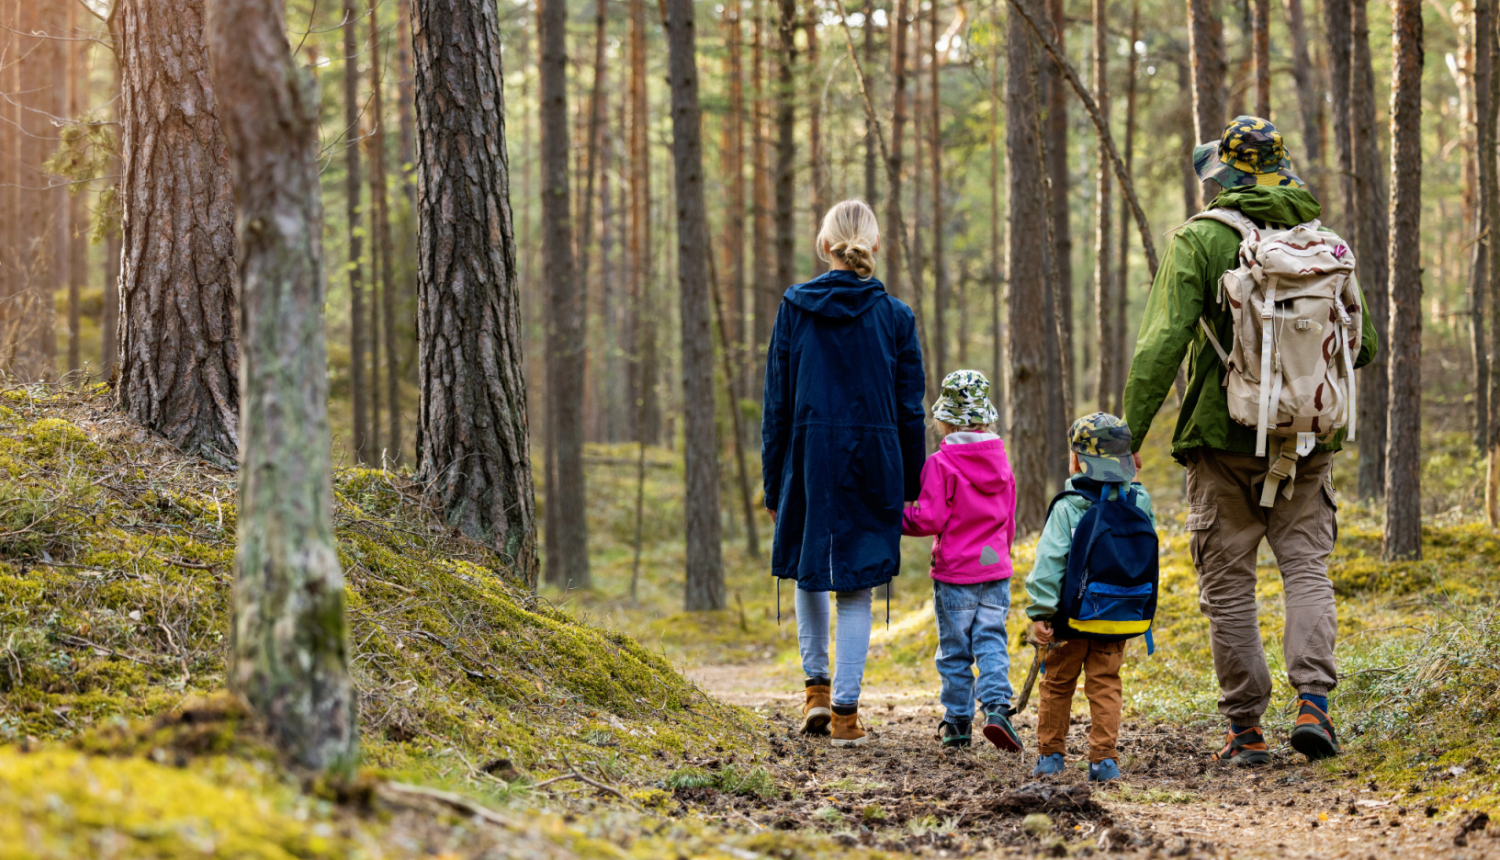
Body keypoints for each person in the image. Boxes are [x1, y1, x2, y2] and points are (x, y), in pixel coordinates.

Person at [1122, 116, 1379, 765]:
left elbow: (1160, 345)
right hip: (1307, 443)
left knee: (1230, 587)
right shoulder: (1326, 245)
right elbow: (1366, 345)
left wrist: (1128, 435)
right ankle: (1314, 704)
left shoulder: (1201, 239)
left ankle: (1246, 730)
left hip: (1222, 438)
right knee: (1307, 572)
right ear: (1283, 168)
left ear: (1226, 176)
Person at [762, 199, 926, 749]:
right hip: (875, 458)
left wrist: (772, 480)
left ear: (824, 245)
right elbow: (910, 410)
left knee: (810, 568)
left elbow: (776, 404)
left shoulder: (794, 307)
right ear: (873, 246)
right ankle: (846, 715)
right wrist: (912, 484)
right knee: (856, 585)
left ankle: (815, 692)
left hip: (807, 453)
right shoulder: (896, 317)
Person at [1026, 414, 1152, 783]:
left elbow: (1050, 563)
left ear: (1077, 460)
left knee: (1057, 683)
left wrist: (1042, 611)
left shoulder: (1068, 506)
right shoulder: (1139, 500)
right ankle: (1104, 760)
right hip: (1119, 613)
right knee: (1106, 683)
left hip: (1071, 616)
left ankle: (1050, 756)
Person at [901, 370, 1022, 752]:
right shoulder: (1001, 459)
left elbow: (929, 518)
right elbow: (1010, 518)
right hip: (994, 567)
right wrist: (1000, 555)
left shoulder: (941, 463)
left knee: (955, 649)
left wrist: (893, 519)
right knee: (991, 640)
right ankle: (998, 707)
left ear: (945, 419)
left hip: (956, 573)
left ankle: (956, 722)